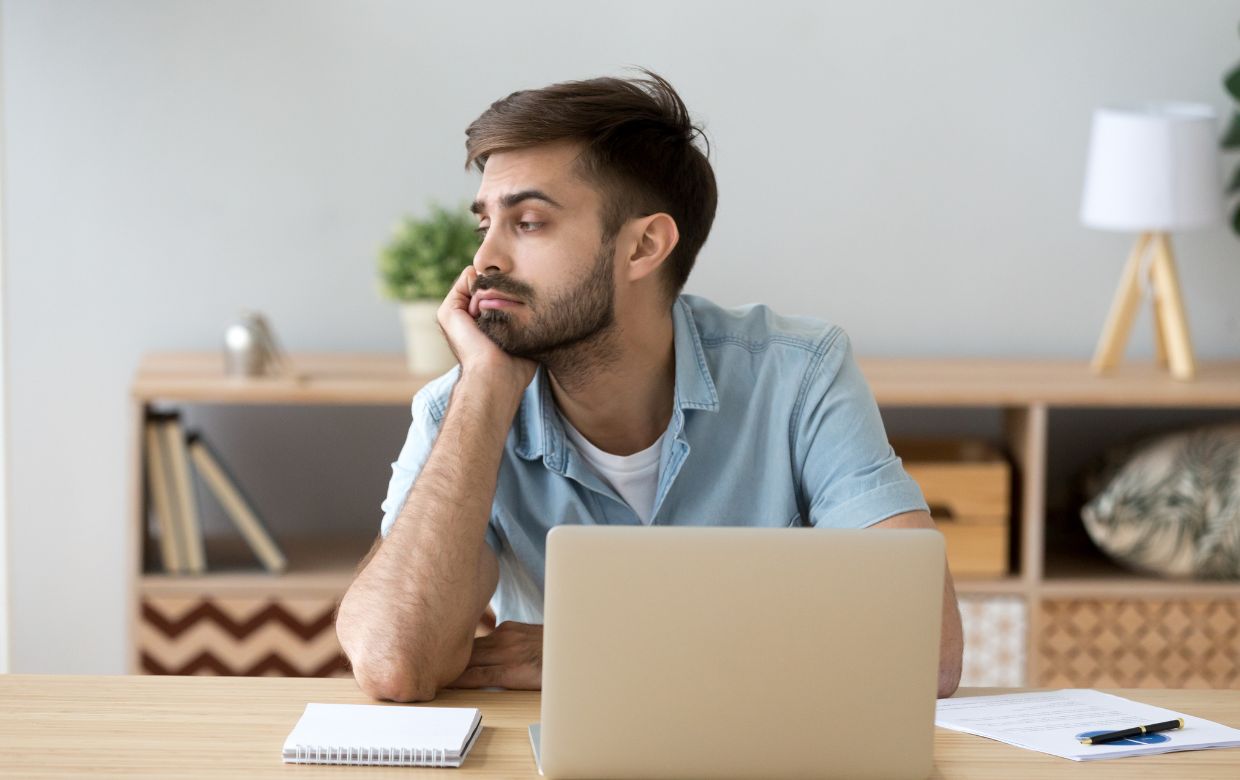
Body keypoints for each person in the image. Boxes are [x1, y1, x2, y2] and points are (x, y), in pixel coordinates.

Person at [335, 70, 963, 703]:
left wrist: (598, 648)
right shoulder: (462, 406)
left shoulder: (797, 375)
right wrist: (484, 391)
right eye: (484, 226)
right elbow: (394, 663)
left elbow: (924, 653)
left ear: (643, 246)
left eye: (527, 222)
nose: (485, 261)